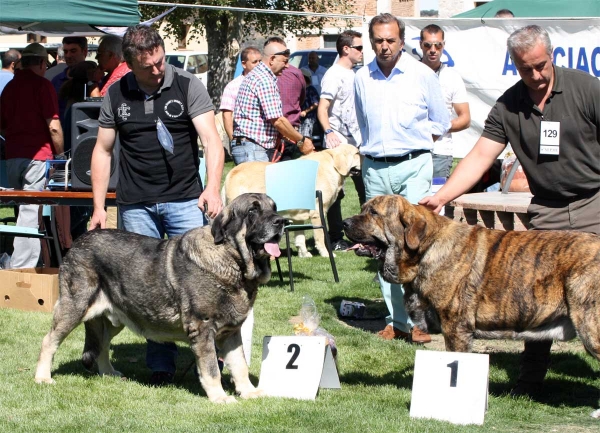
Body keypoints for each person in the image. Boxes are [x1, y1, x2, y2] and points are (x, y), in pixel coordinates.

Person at [420, 25, 600, 397]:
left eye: (540, 66)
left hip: (595, 204)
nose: (535, 75)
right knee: (534, 299)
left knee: (593, 312)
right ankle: (530, 384)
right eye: (525, 69)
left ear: (551, 57)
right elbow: (481, 155)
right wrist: (443, 196)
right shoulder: (508, 104)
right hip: (547, 211)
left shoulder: (586, 89)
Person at [89, 25, 224, 386]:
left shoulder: (186, 84)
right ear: (130, 63)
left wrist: (212, 187)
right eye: (148, 66)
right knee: (148, 287)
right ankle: (160, 366)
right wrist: (99, 207)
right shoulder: (116, 93)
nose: (157, 69)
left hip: (185, 199)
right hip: (136, 204)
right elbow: (101, 151)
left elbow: (212, 140)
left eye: (160, 61)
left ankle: (215, 361)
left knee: (203, 282)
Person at [354, 13, 450, 343]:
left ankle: (421, 320)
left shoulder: (422, 74)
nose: (384, 46)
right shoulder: (361, 78)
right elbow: (361, 123)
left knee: (415, 241)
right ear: (371, 41)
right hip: (375, 167)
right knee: (381, 242)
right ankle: (396, 321)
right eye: (378, 40)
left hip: (414, 164)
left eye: (390, 40)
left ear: (402, 40)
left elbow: (440, 122)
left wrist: (414, 148)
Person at [0, 43, 64, 268]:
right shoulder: (43, 85)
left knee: (23, 211)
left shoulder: (9, 88)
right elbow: (54, 126)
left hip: (13, 157)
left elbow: (2, 126)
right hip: (38, 157)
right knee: (29, 213)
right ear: (40, 63)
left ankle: (22, 261)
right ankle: (22, 267)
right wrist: (60, 155)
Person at [231, 37, 314, 165]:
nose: (287, 66)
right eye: (285, 61)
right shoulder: (264, 80)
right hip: (252, 147)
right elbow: (277, 120)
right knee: (260, 185)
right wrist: (301, 141)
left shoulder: (258, 75)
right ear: (272, 59)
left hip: (251, 147)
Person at [318, 29, 366, 251]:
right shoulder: (333, 75)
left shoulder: (356, 73)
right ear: (346, 49)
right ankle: (336, 237)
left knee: (365, 188)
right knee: (335, 193)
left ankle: (365, 234)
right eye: (359, 48)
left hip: (358, 142)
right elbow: (323, 108)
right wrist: (329, 132)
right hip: (340, 145)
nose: (362, 52)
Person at [420, 24, 471, 180]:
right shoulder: (410, 73)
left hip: (440, 152)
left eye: (438, 45)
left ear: (444, 45)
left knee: (436, 202)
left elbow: (465, 118)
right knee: (410, 203)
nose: (433, 49)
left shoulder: (452, 77)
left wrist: (439, 128)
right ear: (420, 45)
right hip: (413, 151)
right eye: (428, 45)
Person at [219, 46, 261, 141]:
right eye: (255, 62)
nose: (259, 65)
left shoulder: (266, 82)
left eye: (260, 61)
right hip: (244, 140)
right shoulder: (233, 86)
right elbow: (227, 115)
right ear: (244, 64)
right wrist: (233, 139)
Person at [276, 56, 306, 161]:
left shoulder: (295, 73)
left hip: (278, 128)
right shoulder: (296, 73)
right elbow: (301, 98)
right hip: (290, 127)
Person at [51, 37, 88, 122]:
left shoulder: (94, 80)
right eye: (66, 51)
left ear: (84, 52)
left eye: (73, 51)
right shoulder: (56, 81)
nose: (68, 56)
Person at [299, 69, 319, 139]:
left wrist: (305, 111)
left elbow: (316, 104)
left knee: (306, 135)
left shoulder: (311, 90)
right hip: (299, 117)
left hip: (309, 117)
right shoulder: (299, 89)